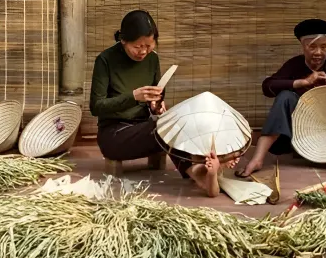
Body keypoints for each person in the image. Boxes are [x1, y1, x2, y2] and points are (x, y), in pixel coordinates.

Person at [90, 10, 231, 197]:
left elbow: (155, 97)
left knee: (177, 117)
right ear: (123, 40)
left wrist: (156, 106)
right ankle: (199, 173)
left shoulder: (152, 59)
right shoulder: (105, 60)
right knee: (163, 127)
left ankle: (204, 167)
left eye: (148, 46)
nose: (143, 52)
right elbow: (96, 106)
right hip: (114, 135)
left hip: (145, 128)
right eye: (137, 46)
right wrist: (133, 96)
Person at [236, 18, 326, 177]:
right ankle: (257, 159)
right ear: (303, 47)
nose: (318, 52)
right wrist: (303, 82)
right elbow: (267, 86)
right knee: (285, 96)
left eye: (324, 47)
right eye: (312, 46)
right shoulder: (294, 64)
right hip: (306, 134)